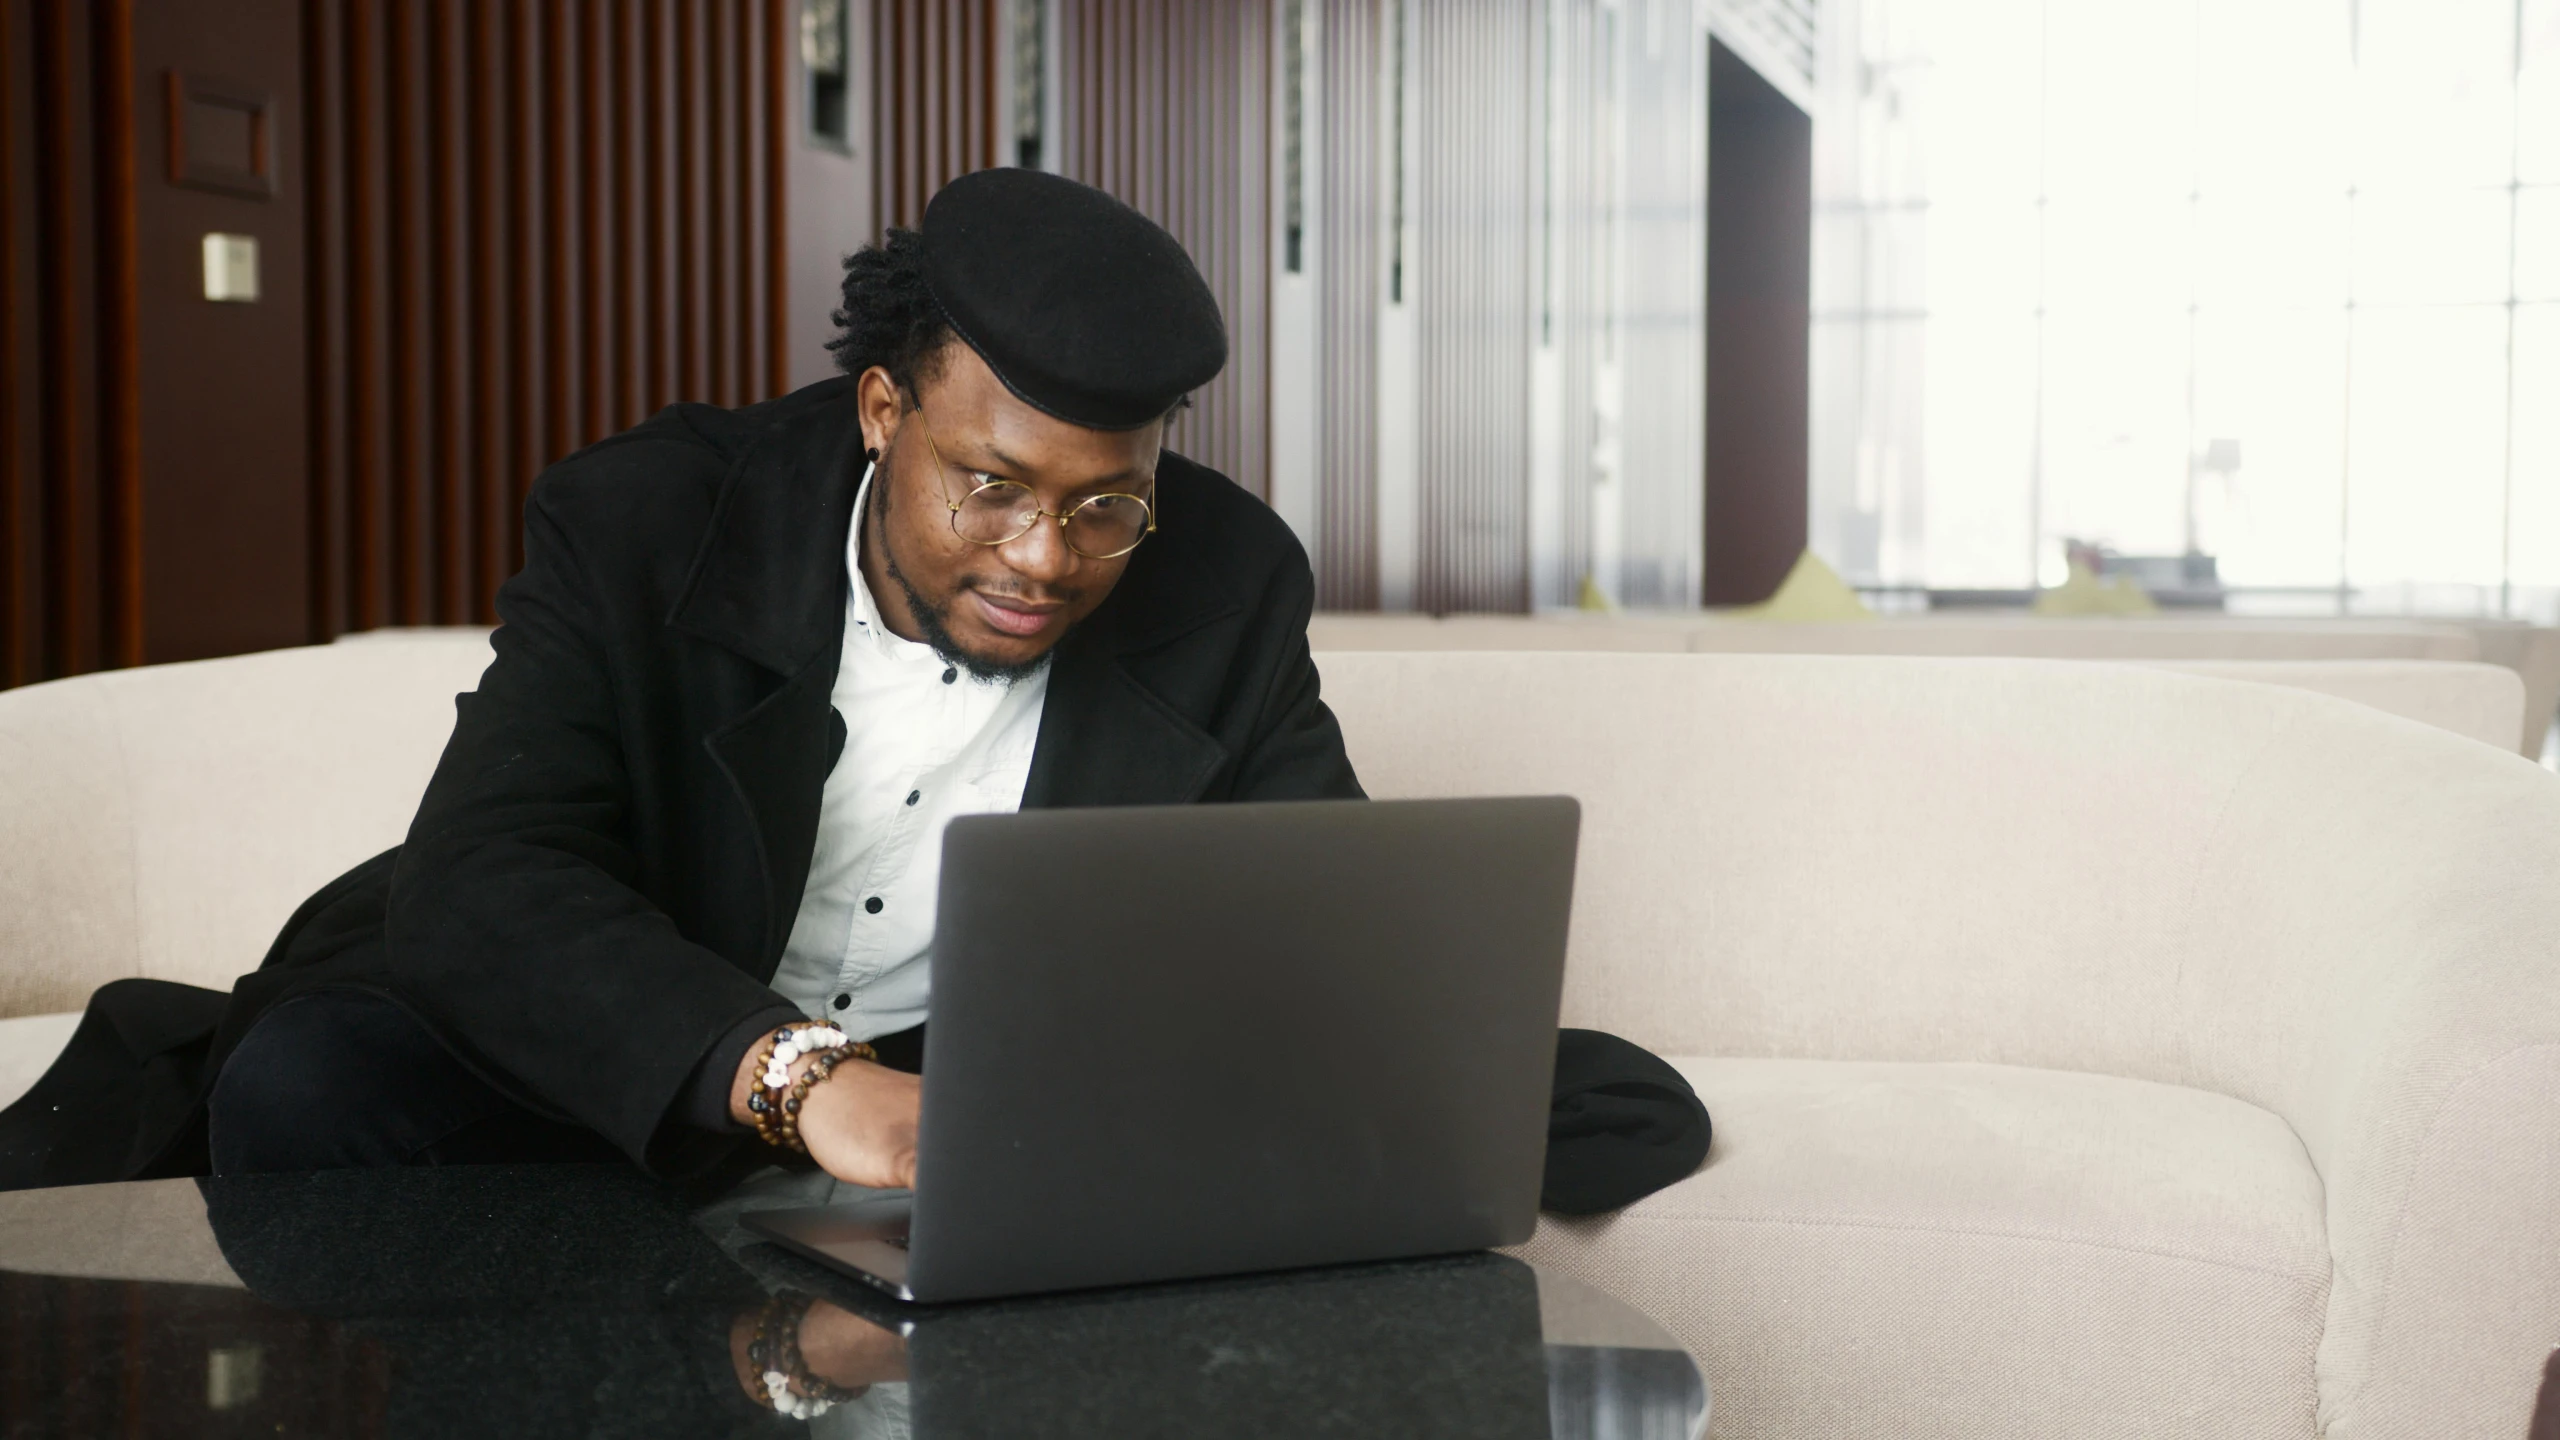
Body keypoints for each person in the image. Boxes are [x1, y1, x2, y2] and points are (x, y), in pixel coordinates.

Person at [201, 167, 1363, 1187]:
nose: (1044, 558)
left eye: (1107, 504)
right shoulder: (649, 518)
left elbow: (1326, 912)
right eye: (991, 488)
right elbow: (486, 877)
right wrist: (792, 1079)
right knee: (311, 1087)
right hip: (637, 1027)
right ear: (880, 411)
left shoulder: (1228, 579)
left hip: (963, 1087)